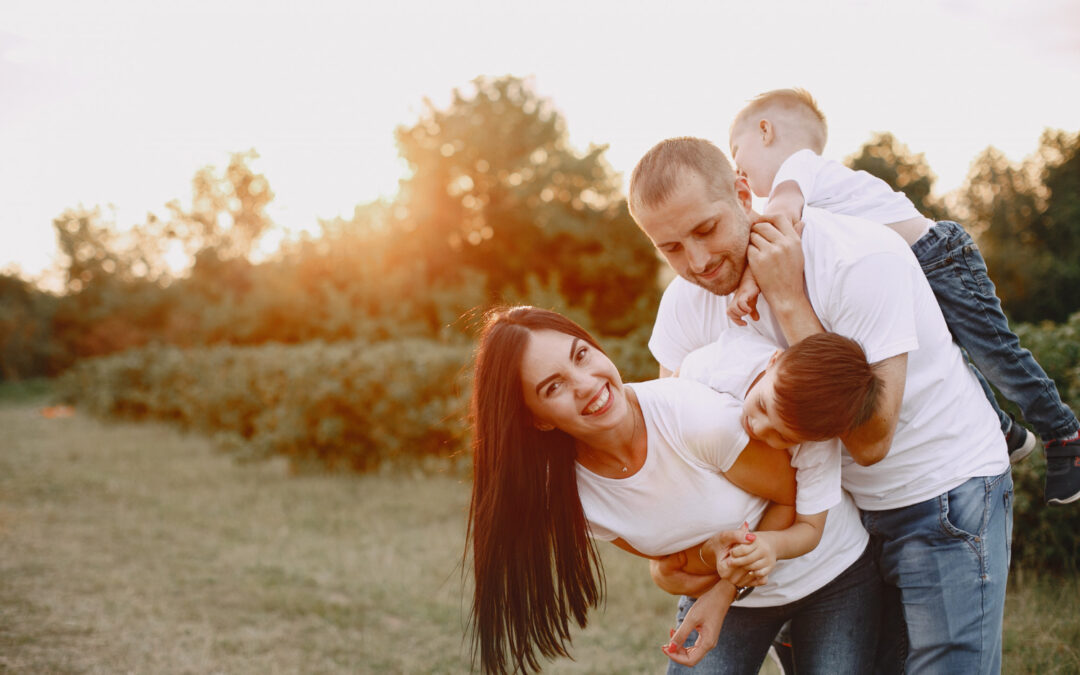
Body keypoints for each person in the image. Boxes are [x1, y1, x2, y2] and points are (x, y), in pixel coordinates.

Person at [628, 136, 1013, 673]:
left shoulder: (857, 259)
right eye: (670, 247)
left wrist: (788, 300)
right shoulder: (686, 305)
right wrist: (689, 561)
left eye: (705, 229)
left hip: (938, 493)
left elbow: (871, 438)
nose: (697, 261)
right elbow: (680, 447)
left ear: (744, 193)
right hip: (835, 522)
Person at [465, 306, 879, 674]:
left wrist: (722, 591)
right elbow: (671, 566)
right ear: (537, 420)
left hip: (830, 575)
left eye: (581, 355)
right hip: (742, 598)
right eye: (552, 387)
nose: (586, 384)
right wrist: (703, 558)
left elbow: (790, 498)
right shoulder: (572, 500)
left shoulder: (696, 418)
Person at [726, 87, 1080, 506]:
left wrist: (750, 281)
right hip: (904, 270)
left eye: (737, 154)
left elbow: (779, 221)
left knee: (993, 350)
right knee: (945, 354)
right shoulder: (814, 190)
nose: (739, 170)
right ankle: (1005, 430)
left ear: (765, 131)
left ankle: (1063, 434)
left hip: (937, 258)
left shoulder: (799, 168)